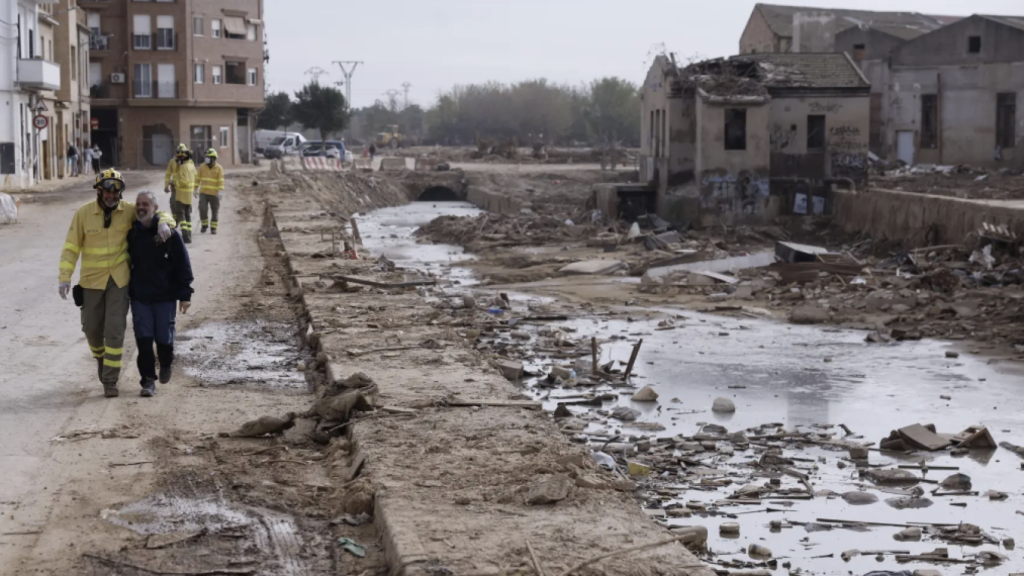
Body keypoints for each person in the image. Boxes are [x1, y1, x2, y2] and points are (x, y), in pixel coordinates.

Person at [59, 169, 176, 397]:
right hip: (91, 281)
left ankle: (110, 381)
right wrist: (65, 277)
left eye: (116, 192)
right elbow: (71, 248)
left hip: (119, 281)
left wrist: (165, 223)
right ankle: (101, 359)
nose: (112, 196)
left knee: (114, 330)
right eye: (108, 192)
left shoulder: (128, 210)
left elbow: (157, 212)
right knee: (91, 329)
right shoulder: (83, 214)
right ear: (99, 191)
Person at [127, 191, 194, 397]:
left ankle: (165, 363)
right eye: (138, 204)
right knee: (144, 340)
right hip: (140, 297)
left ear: (155, 208)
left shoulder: (169, 234)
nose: (141, 207)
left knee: (164, 338)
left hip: (165, 297)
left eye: (146, 204)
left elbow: (183, 264)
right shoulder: (132, 233)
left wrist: (185, 294)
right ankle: (148, 380)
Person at [166, 147, 197, 243]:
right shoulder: (191, 166)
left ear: (183, 157)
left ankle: (185, 235)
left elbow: (184, 181)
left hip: (181, 195)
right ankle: (189, 234)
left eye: (180, 157)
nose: (179, 159)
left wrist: (174, 182)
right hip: (189, 195)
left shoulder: (183, 167)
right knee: (187, 215)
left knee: (181, 215)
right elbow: (195, 177)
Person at [197, 148, 225, 235]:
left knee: (215, 211)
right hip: (203, 193)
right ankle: (204, 225)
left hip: (214, 194)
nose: (206, 159)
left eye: (208, 157)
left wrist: (220, 191)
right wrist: (194, 188)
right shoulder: (202, 167)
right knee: (202, 209)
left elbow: (220, 180)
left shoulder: (219, 168)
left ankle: (213, 228)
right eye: (206, 157)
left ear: (213, 158)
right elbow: (197, 178)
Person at [164, 143, 188, 215]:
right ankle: (175, 219)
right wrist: (166, 186)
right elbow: (168, 174)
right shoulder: (172, 162)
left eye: (181, 152)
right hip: (175, 187)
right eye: (178, 152)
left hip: (185, 188)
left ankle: (185, 217)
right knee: (173, 203)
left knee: (184, 205)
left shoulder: (188, 162)